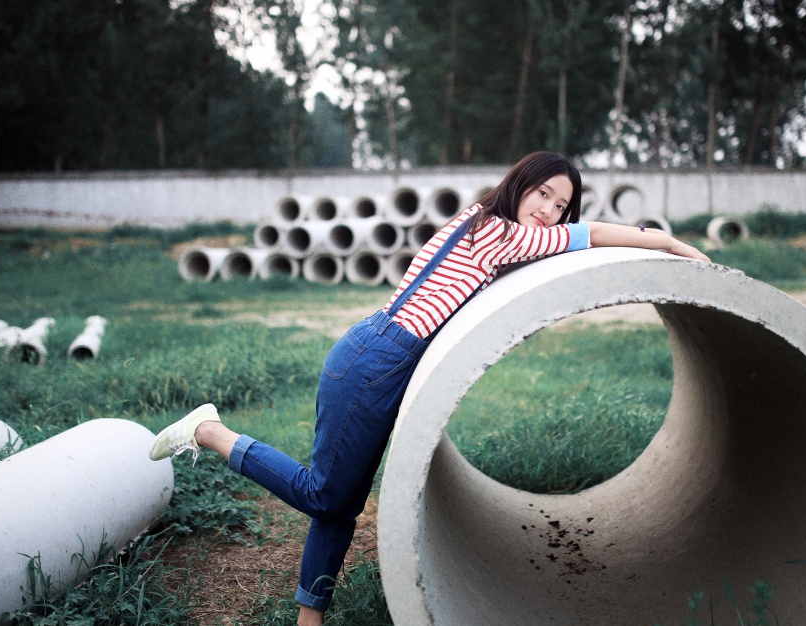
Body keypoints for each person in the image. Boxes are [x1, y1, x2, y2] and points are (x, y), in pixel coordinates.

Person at [149, 151, 710, 625]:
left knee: (341, 503)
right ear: (519, 185)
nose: (549, 211)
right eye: (543, 194)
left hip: (378, 355)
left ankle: (309, 618)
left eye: (561, 205)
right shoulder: (498, 231)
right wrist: (664, 242)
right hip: (375, 361)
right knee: (325, 495)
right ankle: (211, 431)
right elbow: (590, 236)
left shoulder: (487, 226)